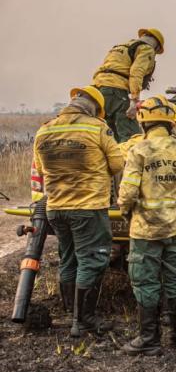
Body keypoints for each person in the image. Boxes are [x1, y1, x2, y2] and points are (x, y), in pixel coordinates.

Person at [117, 97, 176, 355]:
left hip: (145, 230)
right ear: (172, 124)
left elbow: (128, 193)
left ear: (144, 122)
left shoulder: (139, 151)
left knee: (145, 282)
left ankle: (149, 340)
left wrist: (126, 212)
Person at [33, 86, 124, 336]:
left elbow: (41, 170)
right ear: (94, 107)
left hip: (56, 208)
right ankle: (84, 320)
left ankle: (70, 312)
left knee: (69, 258)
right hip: (88, 207)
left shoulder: (45, 129)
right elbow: (117, 163)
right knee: (92, 259)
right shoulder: (96, 127)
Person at [92, 28, 165, 143]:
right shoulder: (146, 49)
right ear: (156, 46)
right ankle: (131, 160)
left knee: (108, 135)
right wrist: (135, 99)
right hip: (118, 91)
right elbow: (137, 72)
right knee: (132, 136)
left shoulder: (119, 47)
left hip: (100, 89)